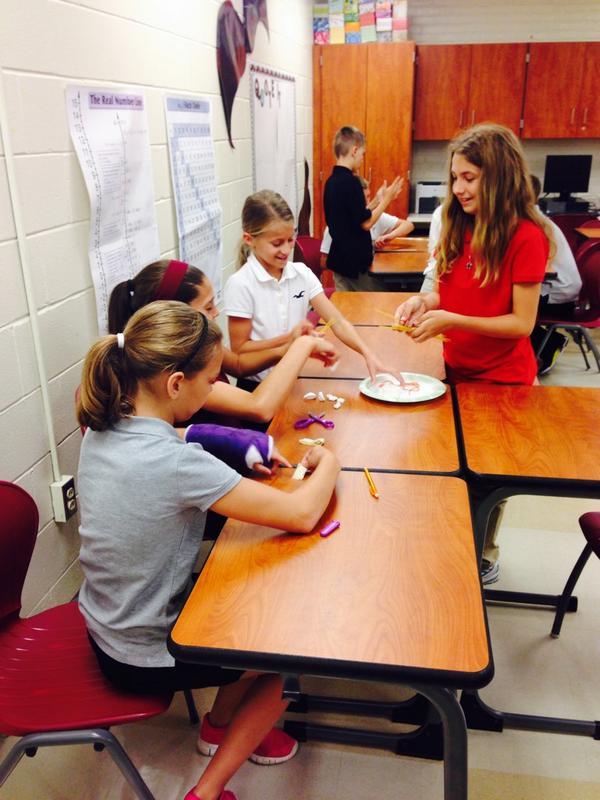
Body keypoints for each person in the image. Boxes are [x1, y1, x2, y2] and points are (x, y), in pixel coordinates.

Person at [76, 301, 340, 800]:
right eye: (213, 380)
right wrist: (327, 462)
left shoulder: (104, 426)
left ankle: (219, 726)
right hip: (142, 652)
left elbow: (177, 437)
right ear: (176, 384)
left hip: (103, 620)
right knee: (292, 653)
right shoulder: (177, 466)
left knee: (248, 591)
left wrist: (235, 444)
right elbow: (303, 514)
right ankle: (208, 789)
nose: (216, 390)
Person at [394, 123, 552, 584]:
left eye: (470, 178)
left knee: (486, 483)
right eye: (455, 178)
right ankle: (452, 547)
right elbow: (452, 295)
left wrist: (453, 322)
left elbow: (521, 324)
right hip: (456, 372)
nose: (459, 188)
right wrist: (424, 302)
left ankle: (482, 557)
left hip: (503, 381)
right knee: (447, 473)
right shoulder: (461, 225)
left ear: (498, 177)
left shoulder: (526, 237)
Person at [108, 260, 338, 426]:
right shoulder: (176, 374)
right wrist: (301, 347)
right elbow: (259, 407)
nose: (216, 313)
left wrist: (286, 346)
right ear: (177, 315)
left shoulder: (197, 346)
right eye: (208, 307)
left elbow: (237, 364)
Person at [224, 189, 391, 389]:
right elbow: (241, 350)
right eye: (276, 243)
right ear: (249, 239)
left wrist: (368, 354)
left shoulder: (301, 274)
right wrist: (290, 341)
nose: (286, 250)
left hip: (295, 378)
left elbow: (337, 321)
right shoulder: (240, 284)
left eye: (290, 239)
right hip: (259, 386)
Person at [323, 125, 403, 291]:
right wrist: (387, 200)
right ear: (354, 150)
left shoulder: (332, 182)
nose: (362, 159)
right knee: (375, 302)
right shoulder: (351, 182)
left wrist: (376, 201)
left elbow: (353, 214)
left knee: (346, 310)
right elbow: (365, 223)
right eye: (362, 154)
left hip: (340, 261)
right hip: (354, 265)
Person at [529, 174, 582, 375]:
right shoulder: (537, 219)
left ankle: (549, 345)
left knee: (509, 303)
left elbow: (540, 269)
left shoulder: (536, 224)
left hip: (560, 293)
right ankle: (547, 341)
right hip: (559, 288)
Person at [320, 176, 414, 258]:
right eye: (361, 198)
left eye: (368, 197)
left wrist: (389, 236)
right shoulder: (336, 224)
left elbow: (408, 225)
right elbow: (323, 262)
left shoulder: (374, 216)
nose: (366, 202)